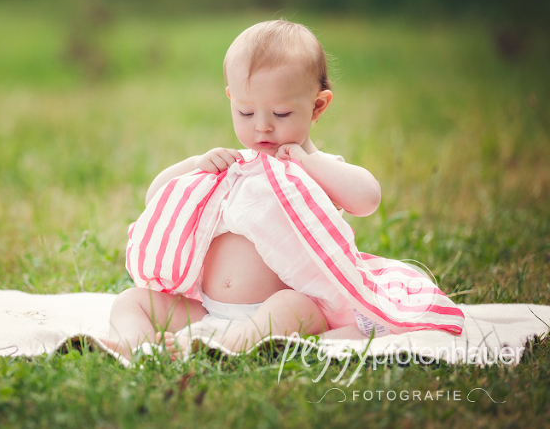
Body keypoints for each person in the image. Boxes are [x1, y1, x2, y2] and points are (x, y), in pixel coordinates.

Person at [101, 20, 382, 360]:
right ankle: (140, 346)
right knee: (131, 300)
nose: (262, 125)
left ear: (318, 106)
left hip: (274, 309)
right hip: (206, 310)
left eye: (281, 113)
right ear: (231, 99)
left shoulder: (315, 171)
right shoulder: (232, 166)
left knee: (293, 307)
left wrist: (310, 164)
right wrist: (195, 164)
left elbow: (367, 198)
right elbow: (157, 198)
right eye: (246, 112)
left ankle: (221, 349)